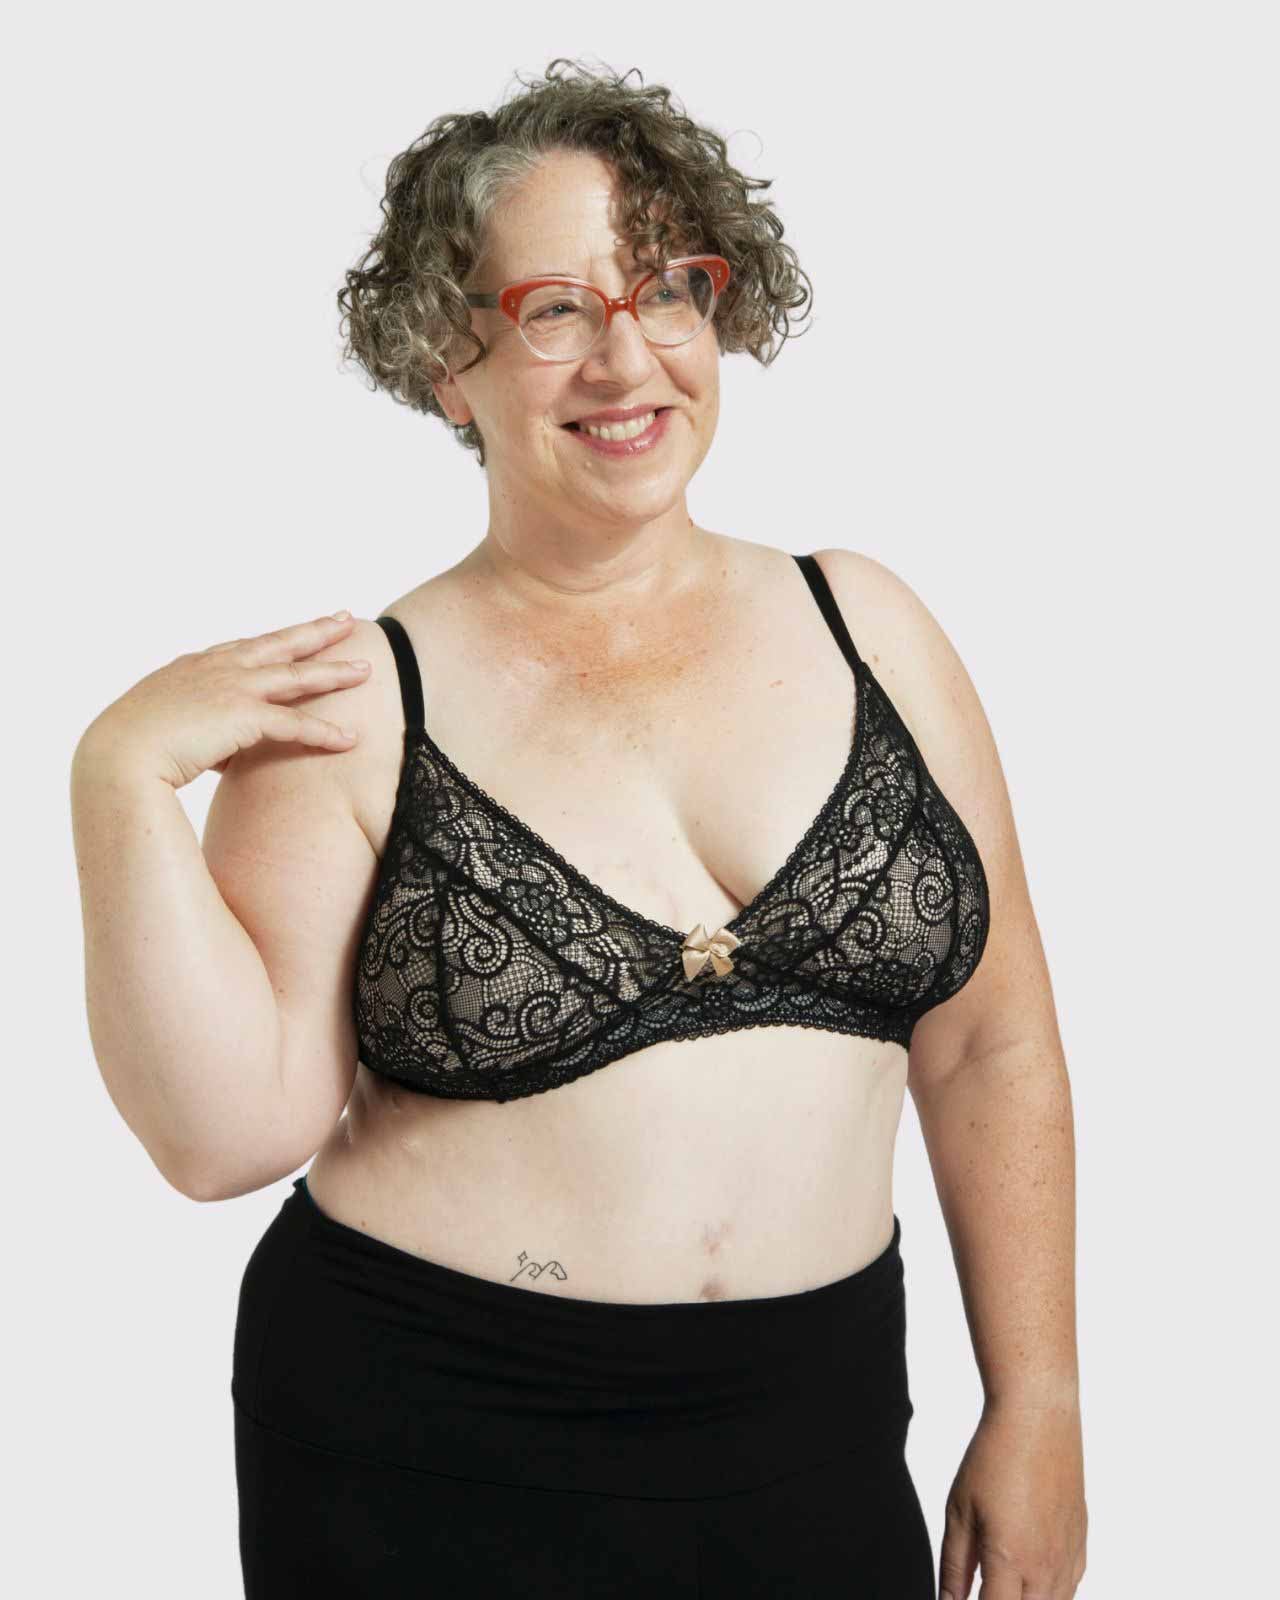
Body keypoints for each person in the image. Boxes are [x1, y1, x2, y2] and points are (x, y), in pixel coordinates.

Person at [70, 58, 1086, 1599]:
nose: (628, 358)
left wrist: (1040, 1400)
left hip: (814, 1429)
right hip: (430, 1454)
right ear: (446, 364)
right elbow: (222, 1140)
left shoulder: (868, 625)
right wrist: (118, 776)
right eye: (556, 308)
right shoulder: (360, 706)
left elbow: (990, 1047)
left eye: (669, 289)